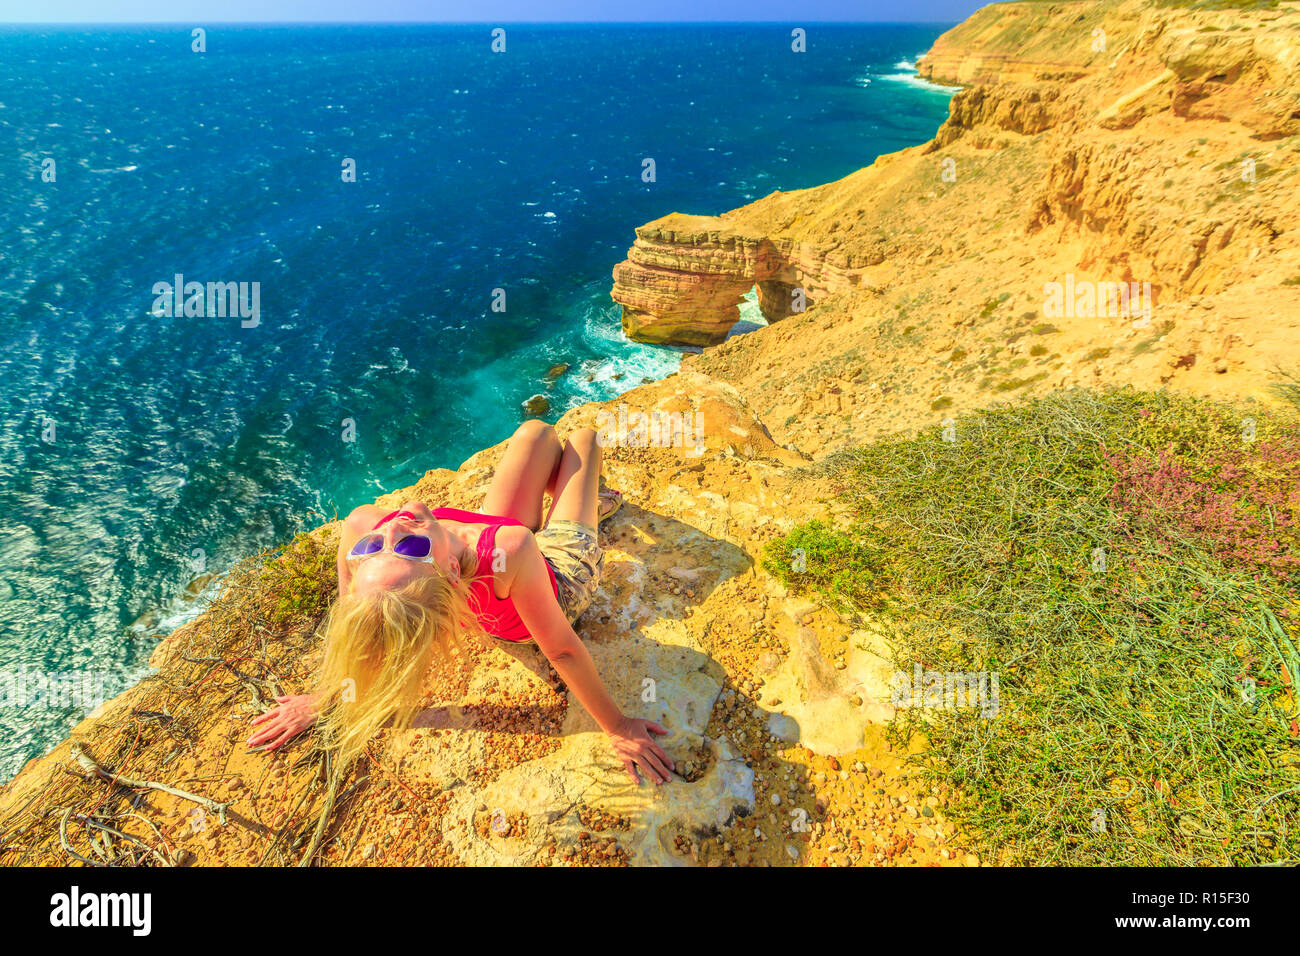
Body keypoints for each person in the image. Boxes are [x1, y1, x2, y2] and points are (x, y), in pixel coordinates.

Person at [247, 420, 674, 785]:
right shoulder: (512, 545)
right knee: (585, 440)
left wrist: (324, 695)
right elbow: (560, 648)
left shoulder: (362, 528)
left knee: (537, 433)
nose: (392, 532)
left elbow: (359, 621)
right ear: (451, 571)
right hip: (559, 577)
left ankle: (577, 498)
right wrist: (617, 726)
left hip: (499, 565)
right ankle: (585, 505)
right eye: (411, 548)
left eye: (376, 548)